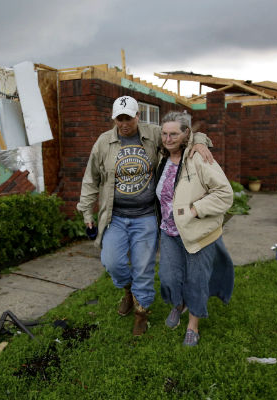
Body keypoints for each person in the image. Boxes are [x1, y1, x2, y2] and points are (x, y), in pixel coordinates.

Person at [77, 96, 214, 336]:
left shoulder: (153, 133)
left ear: (137, 116)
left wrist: (200, 141)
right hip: (115, 217)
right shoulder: (103, 142)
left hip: (145, 216)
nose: (124, 123)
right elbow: (91, 179)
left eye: (128, 118)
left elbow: (182, 133)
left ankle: (142, 311)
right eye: (119, 119)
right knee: (113, 262)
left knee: (143, 266)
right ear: (114, 119)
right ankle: (128, 293)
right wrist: (87, 212)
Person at [155, 111, 234, 346]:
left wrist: (195, 210)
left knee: (197, 280)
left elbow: (225, 193)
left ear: (186, 134)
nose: (168, 139)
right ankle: (178, 303)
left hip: (198, 233)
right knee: (168, 277)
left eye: (174, 134)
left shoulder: (198, 158)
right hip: (169, 231)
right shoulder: (162, 158)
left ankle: (193, 325)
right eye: (164, 133)